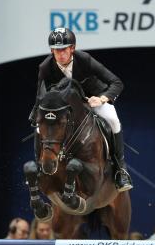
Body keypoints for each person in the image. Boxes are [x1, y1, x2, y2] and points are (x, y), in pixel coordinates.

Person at [29, 27, 132, 192]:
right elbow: (41, 97)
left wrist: (102, 99)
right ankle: (41, 166)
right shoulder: (45, 67)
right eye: (56, 50)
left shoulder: (84, 59)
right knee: (39, 127)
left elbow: (116, 83)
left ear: (72, 48)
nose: (60, 54)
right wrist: (37, 114)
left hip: (93, 99)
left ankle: (120, 169)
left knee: (113, 120)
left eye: (64, 50)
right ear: (51, 50)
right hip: (65, 107)